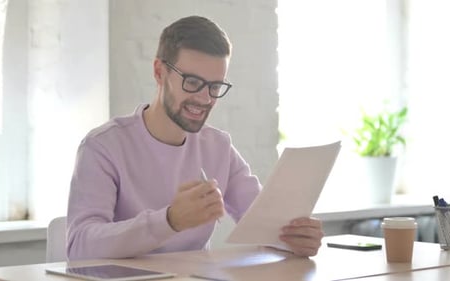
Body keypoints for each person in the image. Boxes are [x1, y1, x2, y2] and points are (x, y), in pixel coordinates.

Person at [66, 15, 324, 261]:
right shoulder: (103, 146)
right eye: (192, 82)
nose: (204, 98)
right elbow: (80, 245)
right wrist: (170, 221)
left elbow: (265, 224)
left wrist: (295, 238)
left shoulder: (218, 147)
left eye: (215, 86)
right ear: (159, 72)